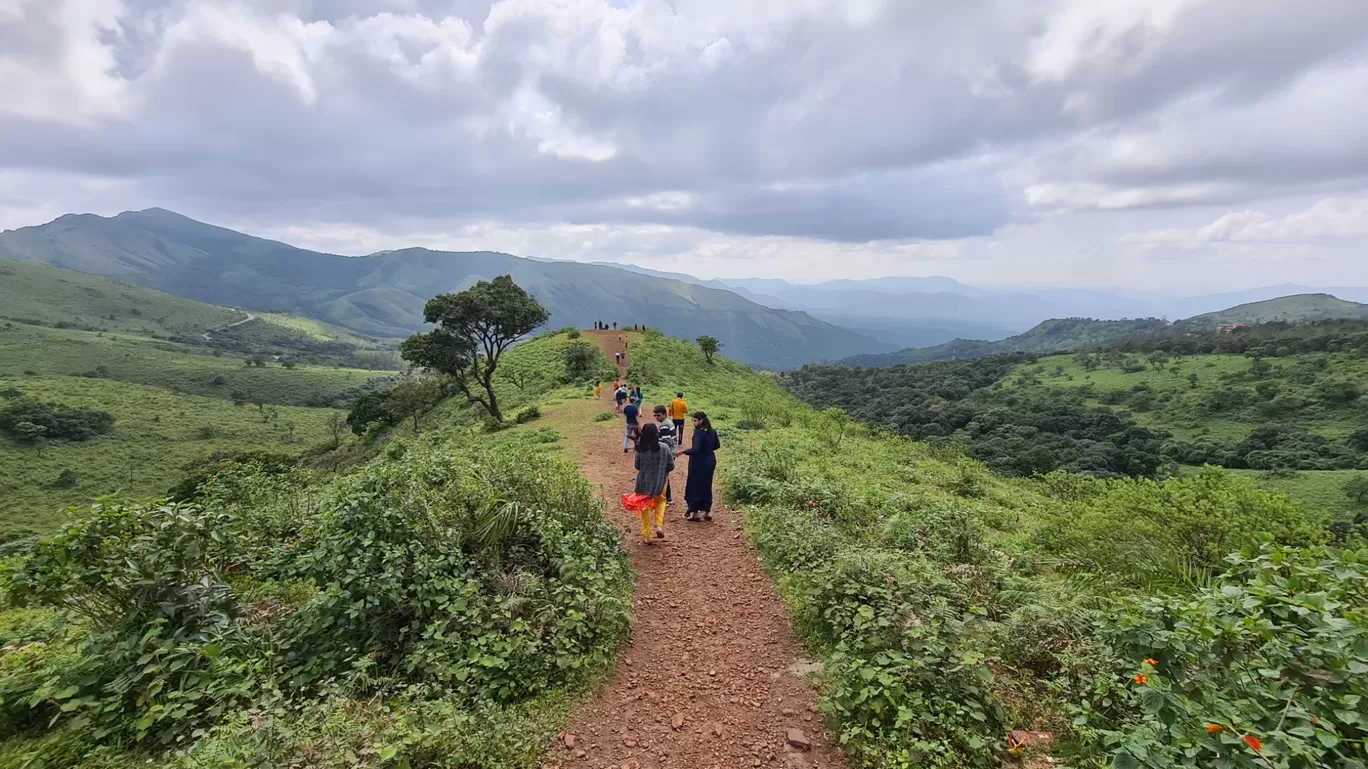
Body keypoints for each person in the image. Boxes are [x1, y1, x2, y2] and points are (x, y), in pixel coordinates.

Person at [633, 423, 673, 544]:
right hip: (661, 481)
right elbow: (671, 465)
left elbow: (637, 466)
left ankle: (647, 536)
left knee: (645, 507)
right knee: (661, 501)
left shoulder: (640, 449)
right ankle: (659, 525)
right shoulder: (665, 448)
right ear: (657, 434)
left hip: (644, 482)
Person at [677, 411, 721, 521]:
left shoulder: (698, 433)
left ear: (701, 421)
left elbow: (695, 450)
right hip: (710, 460)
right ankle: (707, 511)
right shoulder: (712, 432)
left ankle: (694, 511)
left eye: (695, 421)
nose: (693, 423)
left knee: (694, 486)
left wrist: (683, 451)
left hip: (698, 462)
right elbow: (717, 445)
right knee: (707, 485)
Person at [653, 405, 676, 505]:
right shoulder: (669, 422)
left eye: (658, 415)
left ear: (664, 414)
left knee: (663, 476)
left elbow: (666, 441)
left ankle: (667, 498)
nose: (656, 417)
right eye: (655, 415)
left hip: (667, 453)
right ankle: (668, 497)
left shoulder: (664, 425)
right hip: (672, 451)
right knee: (665, 475)